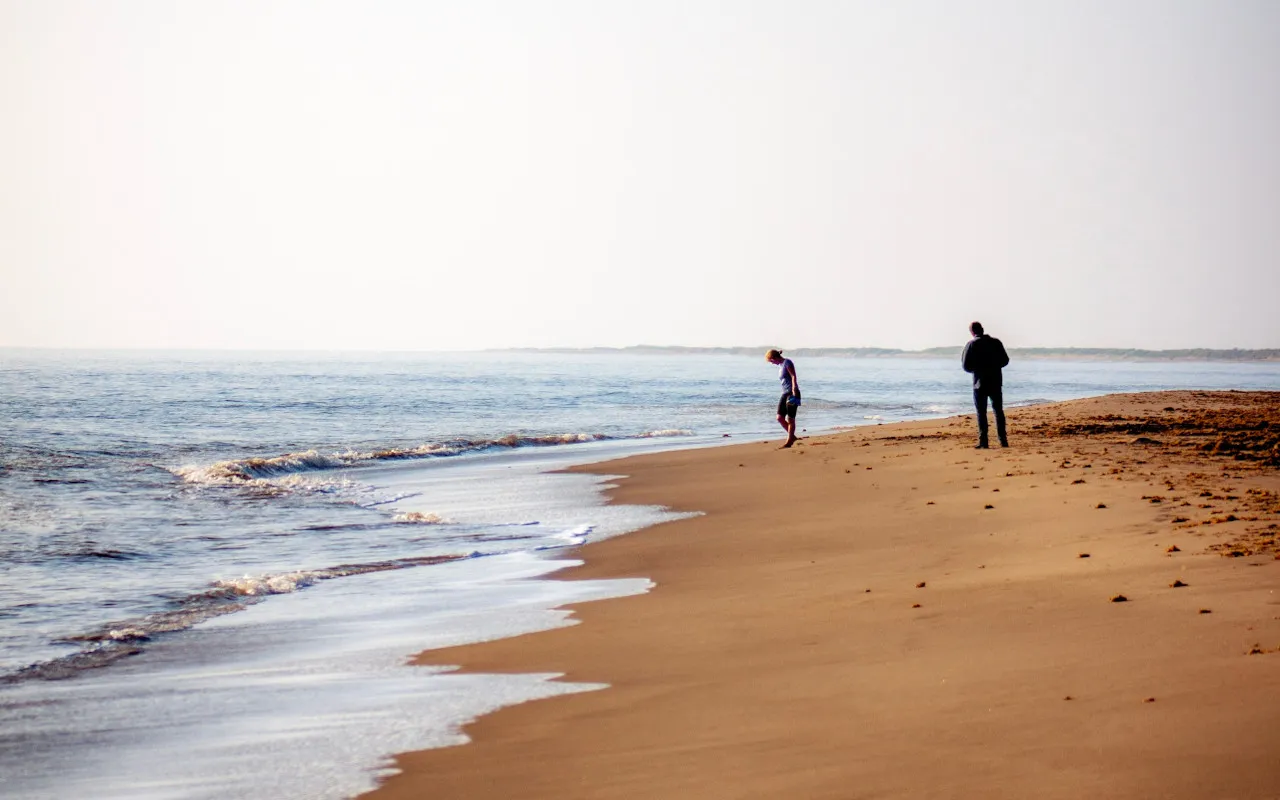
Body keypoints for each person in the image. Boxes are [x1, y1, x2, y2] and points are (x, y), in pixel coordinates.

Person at [961, 321, 1010, 448]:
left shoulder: (971, 344)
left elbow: (965, 366)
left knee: (981, 413)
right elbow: (1005, 360)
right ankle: (1003, 440)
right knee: (998, 411)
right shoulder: (996, 342)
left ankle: (984, 442)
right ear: (982, 329)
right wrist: (994, 366)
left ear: (972, 332)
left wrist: (977, 369)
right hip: (995, 381)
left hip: (980, 383)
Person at [765, 349, 801, 448]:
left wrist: (794, 388)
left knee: (790, 419)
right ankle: (792, 437)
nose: (772, 363)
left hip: (792, 392)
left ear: (774, 358)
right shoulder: (780, 366)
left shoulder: (787, 362)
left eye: (771, 361)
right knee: (779, 417)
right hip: (785, 393)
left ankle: (789, 442)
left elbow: (793, 376)